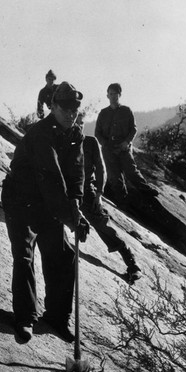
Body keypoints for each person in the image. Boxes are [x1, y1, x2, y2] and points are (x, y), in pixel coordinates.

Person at [1, 82, 90, 343]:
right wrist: (70, 218)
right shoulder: (41, 133)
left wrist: (76, 207)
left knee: (63, 256)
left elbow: (76, 175)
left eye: (75, 108)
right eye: (65, 108)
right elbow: (51, 177)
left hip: (47, 203)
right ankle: (25, 318)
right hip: (22, 200)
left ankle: (57, 317)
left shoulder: (75, 134)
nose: (71, 113)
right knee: (24, 254)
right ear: (53, 106)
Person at [77, 113, 141, 282]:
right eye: (75, 123)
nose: (78, 126)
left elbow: (101, 170)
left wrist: (98, 195)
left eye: (81, 123)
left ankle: (131, 262)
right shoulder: (61, 141)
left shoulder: (90, 142)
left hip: (86, 191)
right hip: (65, 191)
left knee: (102, 223)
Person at [95, 83, 158, 206]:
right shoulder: (103, 113)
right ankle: (123, 202)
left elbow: (133, 129)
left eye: (115, 94)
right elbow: (97, 132)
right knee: (115, 177)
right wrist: (105, 145)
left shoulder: (126, 111)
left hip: (123, 147)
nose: (113, 96)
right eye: (111, 93)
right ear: (107, 95)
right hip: (109, 149)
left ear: (120, 95)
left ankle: (146, 191)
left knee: (131, 172)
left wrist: (126, 142)